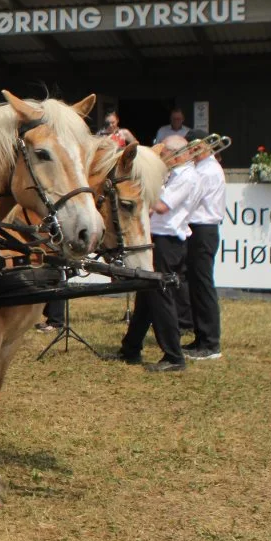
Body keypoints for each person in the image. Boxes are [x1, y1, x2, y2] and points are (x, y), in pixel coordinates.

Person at [106, 134, 199, 372]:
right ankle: (131, 347)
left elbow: (161, 206)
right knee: (146, 298)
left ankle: (173, 356)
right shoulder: (176, 175)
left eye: (164, 155)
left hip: (168, 242)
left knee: (161, 297)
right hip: (159, 239)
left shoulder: (186, 177)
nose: (162, 160)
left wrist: (144, 186)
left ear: (175, 154)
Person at [179, 129, 225, 361]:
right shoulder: (204, 168)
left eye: (191, 148)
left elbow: (189, 201)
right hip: (199, 230)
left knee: (203, 285)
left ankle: (210, 342)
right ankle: (201, 337)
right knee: (196, 285)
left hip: (203, 230)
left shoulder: (207, 170)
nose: (189, 153)